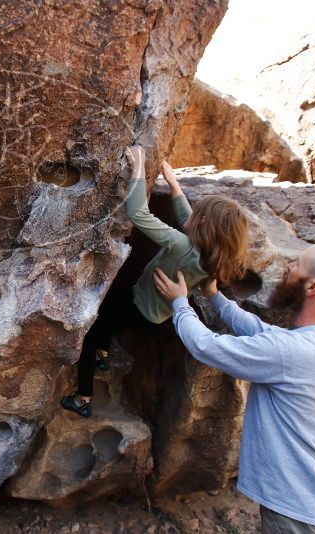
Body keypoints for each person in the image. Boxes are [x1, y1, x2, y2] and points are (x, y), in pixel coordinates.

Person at [153, 242, 315, 533]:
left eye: (297, 265)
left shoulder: (296, 351)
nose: (289, 267)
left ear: (313, 287)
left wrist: (179, 303)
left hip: (302, 517)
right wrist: (216, 298)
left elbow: (207, 347)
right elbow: (265, 334)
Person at [61, 145, 249, 417]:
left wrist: (137, 170)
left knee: (91, 332)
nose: (192, 215)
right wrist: (174, 186)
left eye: (199, 213)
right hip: (153, 312)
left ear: (204, 222)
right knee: (112, 308)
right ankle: (103, 353)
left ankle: (83, 397)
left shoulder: (181, 245)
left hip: (141, 305)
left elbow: (139, 215)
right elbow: (190, 220)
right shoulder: (211, 257)